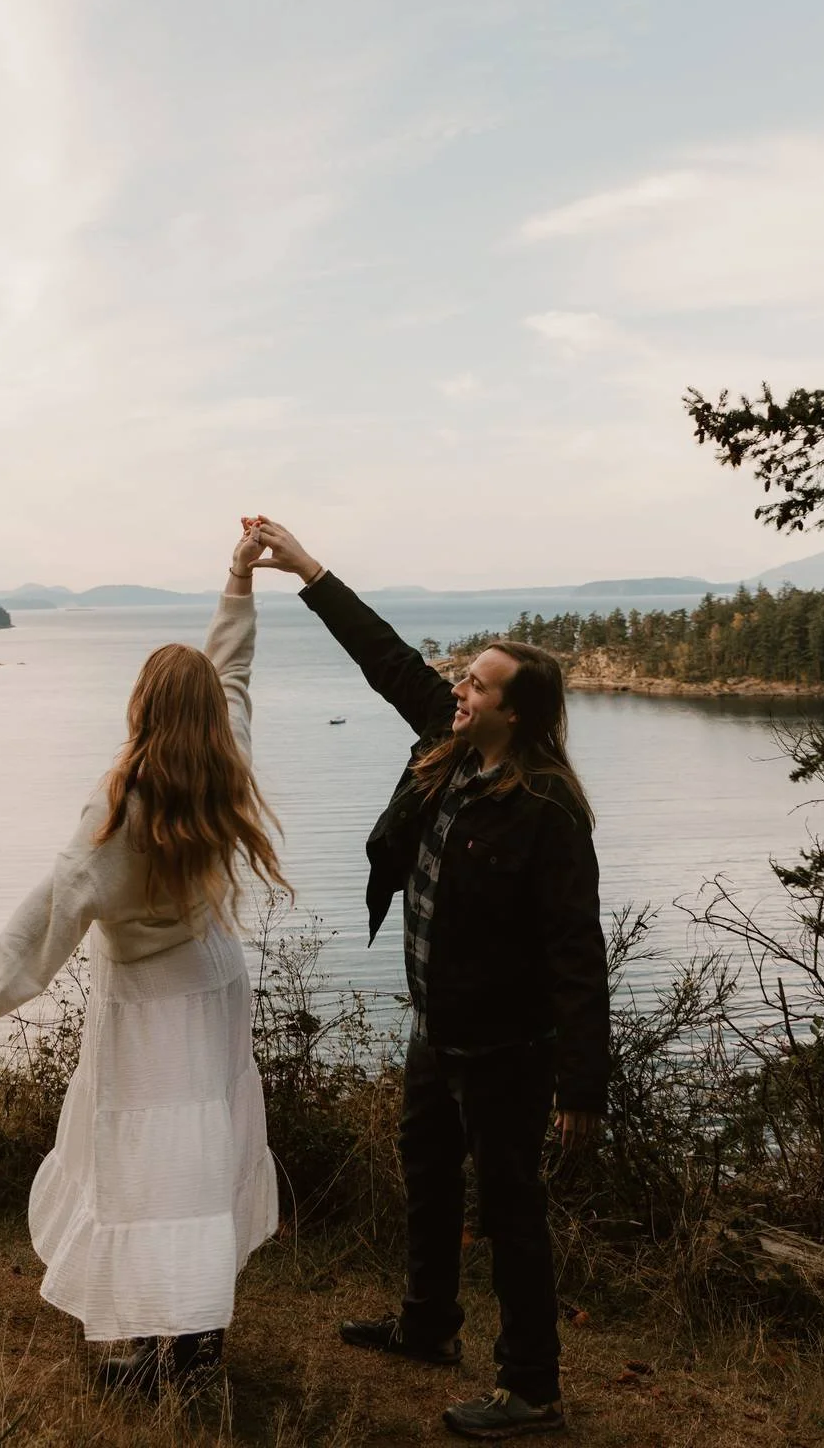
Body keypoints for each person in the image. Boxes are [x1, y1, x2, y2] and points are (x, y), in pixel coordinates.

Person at [248, 519, 610, 1442]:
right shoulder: (445, 751)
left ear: (516, 711)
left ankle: (531, 1388)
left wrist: (582, 1084)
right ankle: (427, 1326)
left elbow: (577, 952)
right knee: (428, 1178)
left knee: (512, 1210)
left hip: (507, 1047)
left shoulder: (548, 810)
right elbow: (387, 659)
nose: (460, 687)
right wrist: (308, 569)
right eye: (465, 676)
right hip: (433, 1025)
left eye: (479, 684)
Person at [0, 524, 288, 1396]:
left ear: (141, 708)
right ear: (207, 716)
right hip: (211, 988)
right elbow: (232, 671)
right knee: (201, 1164)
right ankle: (196, 1351)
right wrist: (239, 580)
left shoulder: (117, 805)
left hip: (143, 1009)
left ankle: (146, 1355)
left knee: (142, 1174)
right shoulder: (228, 767)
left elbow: (49, 914)